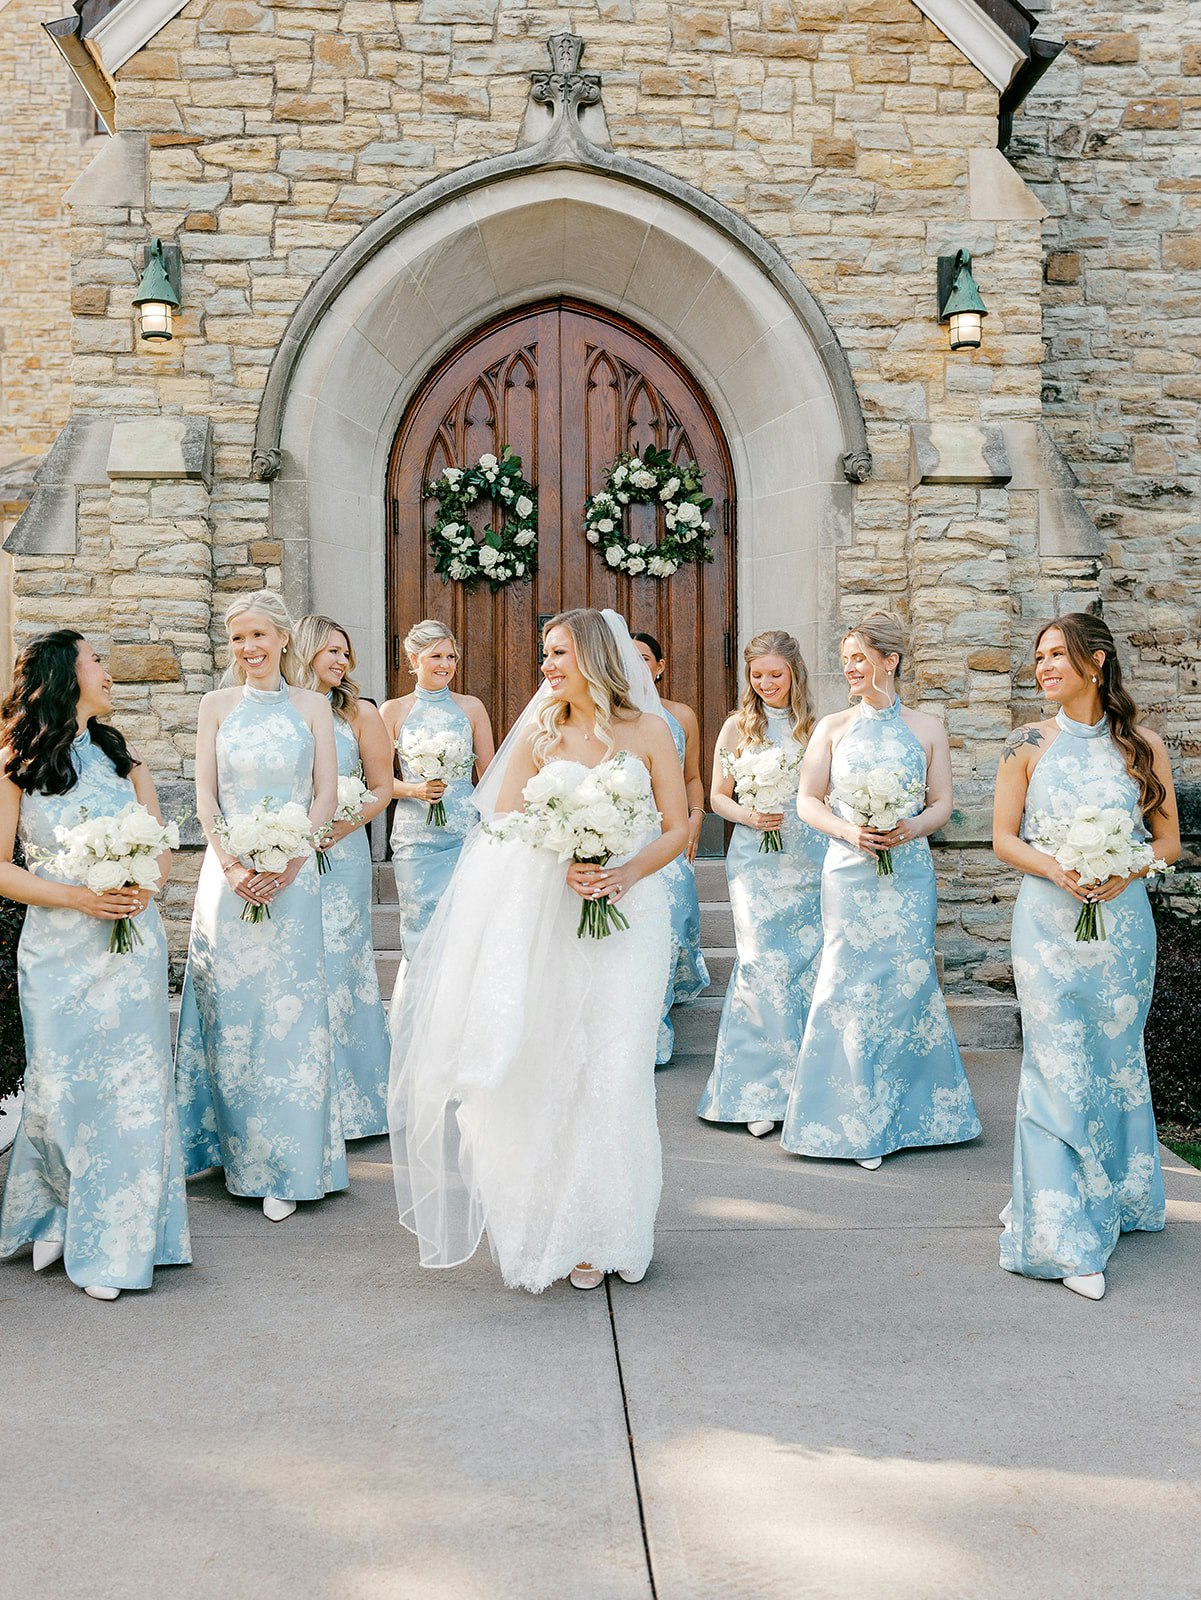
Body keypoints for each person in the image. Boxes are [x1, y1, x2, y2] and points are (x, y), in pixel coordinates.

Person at [389, 609, 688, 1293]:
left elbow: (675, 827)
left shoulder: (647, 732)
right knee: (558, 1069)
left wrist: (623, 872)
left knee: (615, 1074)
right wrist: (562, 862)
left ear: (592, 656)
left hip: (629, 918)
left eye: (558, 653)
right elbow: (499, 831)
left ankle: (618, 1231)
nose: (547, 666)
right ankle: (562, 1230)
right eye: (545, 654)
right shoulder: (539, 734)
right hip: (553, 921)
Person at [992, 613, 1180, 1300]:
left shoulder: (1143, 745)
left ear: (1093, 662)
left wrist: (1123, 867)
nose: (1041, 668)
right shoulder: (1024, 743)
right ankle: (1061, 1233)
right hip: (1047, 924)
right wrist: (1057, 869)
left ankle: (1119, 1197)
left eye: (1054, 656)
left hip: (1123, 926)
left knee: (1113, 1059)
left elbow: (1167, 844)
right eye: (1036, 657)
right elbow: (1002, 839)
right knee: (1055, 1063)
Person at [0, 631, 190, 1299]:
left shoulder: (122, 756)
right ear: (63, 674)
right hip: (57, 950)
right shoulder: (14, 762)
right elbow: (0, 869)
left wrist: (146, 883)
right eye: (96, 660)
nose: (107, 672)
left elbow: (161, 846)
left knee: (131, 1095)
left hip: (130, 948)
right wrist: (79, 897)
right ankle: (55, 1209)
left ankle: (114, 1241)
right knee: (61, 1089)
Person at [780, 612, 980, 1168]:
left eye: (859, 658)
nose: (849, 667)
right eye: (845, 659)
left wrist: (910, 826)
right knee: (848, 982)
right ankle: (850, 1119)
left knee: (907, 981)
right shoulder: (832, 727)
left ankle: (914, 1115)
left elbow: (941, 802)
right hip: (849, 871)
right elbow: (807, 800)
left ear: (889, 662)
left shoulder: (928, 727)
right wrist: (851, 831)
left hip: (909, 872)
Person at [174, 592, 347, 1222]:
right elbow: (204, 790)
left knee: (291, 1018)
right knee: (231, 1016)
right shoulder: (215, 705)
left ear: (280, 639)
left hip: (295, 881)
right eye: (237, 638)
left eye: (257, 636)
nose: (247, 648)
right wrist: (232, 865)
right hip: (229, 880)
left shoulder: (313, 706)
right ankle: (226, 1148)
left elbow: (325, 790)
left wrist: (292, 861)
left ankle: (288, 1166)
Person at [696, 631, 826, 1136]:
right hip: (755, 857)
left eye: (776, 674)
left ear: (794, 673)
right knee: (759, 964)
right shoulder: (736, 727)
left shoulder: (816, 727)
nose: (767, 683)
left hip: (807, 854)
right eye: (758, 675)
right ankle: (755, 1091)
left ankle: (802, 1084)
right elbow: (716, 797)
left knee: (807, 967)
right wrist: (749, 815)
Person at [295, 614, 393, 1139]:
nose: (341, 661)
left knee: (340, 965)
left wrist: (338, 827)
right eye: (331, 651)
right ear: (305, 651)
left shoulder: (359, 711)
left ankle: (354, 1104)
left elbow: (380, 788)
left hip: (339, 852)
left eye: (346, 652)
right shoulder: (280, 708)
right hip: (285, 851)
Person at [380, 622, 494, 960]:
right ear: (414, 660)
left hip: (463, 835)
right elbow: (380, 781)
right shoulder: (393, 710)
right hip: (417, 841)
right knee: (420, 928)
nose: (445, 664)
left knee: (464, 928)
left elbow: (488, 775)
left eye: (451, 656)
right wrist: (415, 789)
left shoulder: (471, 708)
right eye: (436, 656)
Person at [632, 632, 709, 1063]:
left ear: (660, 666)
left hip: (674, 839)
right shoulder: (611, 716)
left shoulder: (681, 716)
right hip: (630, 843)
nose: (637, 665)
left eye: (644, 658)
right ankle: (645, 1034)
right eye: (628, 657)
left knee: (672, 930)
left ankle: (659, 1015)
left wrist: (695, 819)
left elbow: (692, 776)